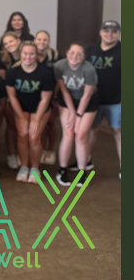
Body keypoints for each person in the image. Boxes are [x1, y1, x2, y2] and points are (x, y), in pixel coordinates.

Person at [5, 42, 54, 183]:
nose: (28, 56)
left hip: (40, 108)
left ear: (37, 55)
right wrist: (22, 118)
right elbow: (12, 97)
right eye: (25, 53)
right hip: (21, 108)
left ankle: (35, 168)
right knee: (22, 134)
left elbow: (45, 99)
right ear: (20, 55)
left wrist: (36, 119)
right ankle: (24, 166)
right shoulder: (12, 72)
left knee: (34, 137)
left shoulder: (45, 72)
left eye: (32, 53)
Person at [54, 42, 98, 187]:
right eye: (72, 52)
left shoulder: (89, 69)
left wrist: (78, 116)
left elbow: (86, 96)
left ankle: (82, 172)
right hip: (67, 101)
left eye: (79, 54)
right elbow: (64, 91)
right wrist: (72, 113)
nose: (75, 56)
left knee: (80, 134)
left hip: (87, 102)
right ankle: (62, 170)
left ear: (84, 57)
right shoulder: (59, 66)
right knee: (68, 132)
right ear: (67, 54)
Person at [87, 20, 121, 178]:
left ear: (118, 34)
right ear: (100, 32)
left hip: (116, 100)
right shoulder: (90, 50)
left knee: (117, 131)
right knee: (92, 130)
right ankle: (86, 160)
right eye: (106, 30)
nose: (110, 34)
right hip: (93, 100)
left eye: (114, 31)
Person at [34, 30, 60, 166]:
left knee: (51, 123)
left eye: (45, 40)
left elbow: (58, 78)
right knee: (41, 126)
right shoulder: (31, 54)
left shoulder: (55, 55)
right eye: (39, 39)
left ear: (49, 41)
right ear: (35, 40)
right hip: (36, 95)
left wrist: (55, 97)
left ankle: (51, 150)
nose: (41, 42)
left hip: (52, 94)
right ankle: (42, 149)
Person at [0, 31, 22, 170]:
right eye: (6, 43)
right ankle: (11, 155)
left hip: (26, 95)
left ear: (18, 41)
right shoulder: (3, 59)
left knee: (24, 128)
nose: (9, 45)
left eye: (11, 42)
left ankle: (22, 154)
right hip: (9, 95)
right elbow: (4, 79)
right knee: (11, 126)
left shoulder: (28, 55)